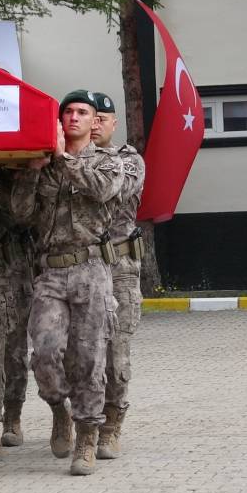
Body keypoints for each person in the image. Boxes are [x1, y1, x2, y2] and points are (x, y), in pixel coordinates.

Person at [11, 89, 123, 476]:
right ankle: (59, 408)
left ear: (95, 122)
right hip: (51, 272)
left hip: (91, 269)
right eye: (68, 112)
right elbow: (21, 214)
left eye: (82, 113)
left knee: (89, 358)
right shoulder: (44, 164)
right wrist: (33, 171)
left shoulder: (108, 161)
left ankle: (87, 436)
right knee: (44, 351)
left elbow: (103, 191)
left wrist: (64, 159)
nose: (74, 117)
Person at [90, 91, 145, 460]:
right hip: (80, 268)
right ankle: (82, 418)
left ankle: (111, 425)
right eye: (88, 118)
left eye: (101, 119)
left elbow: (111, 192)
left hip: (119, 268)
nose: (94, 124)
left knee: (115, 354)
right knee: (78, 352)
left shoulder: (129, 161)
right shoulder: (68, 161)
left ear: (113, 123)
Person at [0, 165, 34, 461]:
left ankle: (13, 414)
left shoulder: (20, 172)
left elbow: (25, 216)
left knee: (14, 349)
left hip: (15, 263)